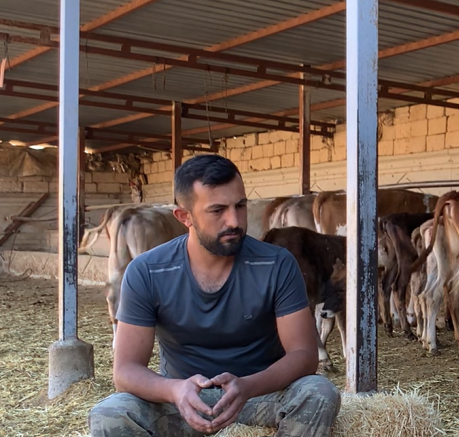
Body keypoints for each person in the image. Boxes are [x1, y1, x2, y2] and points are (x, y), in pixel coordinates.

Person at [88, 154, 341, 436]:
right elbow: (125, 371)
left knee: (319, 392)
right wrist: (174, 390)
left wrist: (247, 386)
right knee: (110, 413)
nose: (234, 221)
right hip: (183, 402)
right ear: (185, 217)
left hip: (259, 397)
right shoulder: (148, 271)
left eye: (240, 206)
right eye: (217, 210)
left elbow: (304, 355)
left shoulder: (277, 264)